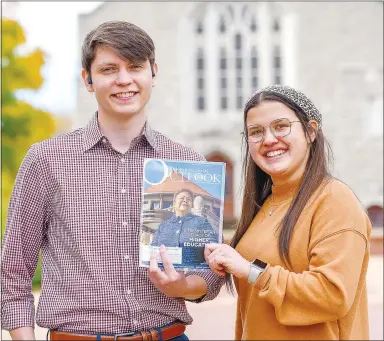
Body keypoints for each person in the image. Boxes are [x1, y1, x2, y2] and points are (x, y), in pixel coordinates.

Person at [1, 21, 223, 341]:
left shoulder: (189, 165)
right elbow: (13, 274)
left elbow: (210, 272)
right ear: (88, 80)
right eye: (109, 69)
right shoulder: (45, 161)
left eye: (135, 67)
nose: (124, 80)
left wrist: (183, 286)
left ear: (153, 73)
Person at [205, 85, 371, 340]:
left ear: (310, 131)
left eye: (281, 126)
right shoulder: (265, 205)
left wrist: (251, 271)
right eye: (256, 132)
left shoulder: (334, 200)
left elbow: (332, 295)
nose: (269, 139)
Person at [151, 189, 218, 265]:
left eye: (188, 199)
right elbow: (153, 250)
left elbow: (213, 248)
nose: (185, 200)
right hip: (164, 272)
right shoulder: (163, 226)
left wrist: (198, 271)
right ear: (174, 202)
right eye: (182, 198)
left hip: (192, 273)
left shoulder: (201, 221)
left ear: (192, 204)